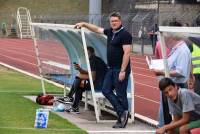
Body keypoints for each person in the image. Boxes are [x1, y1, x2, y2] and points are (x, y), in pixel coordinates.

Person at [75, 12, 132, 128]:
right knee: (106, 90)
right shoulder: (110, 32)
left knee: (121, 94)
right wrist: (84, 24)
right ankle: (122, 112)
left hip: (119, 70)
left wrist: (122, 71)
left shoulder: (125, 34)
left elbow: (127, 53)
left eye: (115, 21)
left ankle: (122, 118)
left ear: (120, 21)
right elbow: (96, 29)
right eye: (112, 21)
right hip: (110, 69)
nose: (113, 23)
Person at [153, 33, 191, 126]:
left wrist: (162, 72)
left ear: (170, 38)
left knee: (176, 115)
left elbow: (180, 71)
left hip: (176, 86)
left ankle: (165, 128)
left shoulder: (182, 50)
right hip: (172, 85)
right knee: (170, 113)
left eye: (164, 39)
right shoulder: (176, 49)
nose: (163, 42)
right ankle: (165, 127)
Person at [59, 46, 107, 114]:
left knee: (79, 79)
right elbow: (91, 73)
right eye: (86, 53)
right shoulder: (96, 59)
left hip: (100, 84)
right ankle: (74, 106)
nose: (86, 55)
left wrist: (81, 76)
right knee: (80, 84)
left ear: (92, 53)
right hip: (101, 82)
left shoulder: (92, 60)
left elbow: (93, 78)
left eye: (88, 53)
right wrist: (80, 70)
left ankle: (70, 98)